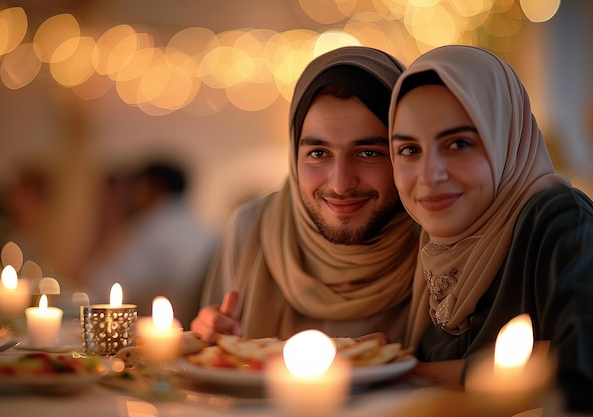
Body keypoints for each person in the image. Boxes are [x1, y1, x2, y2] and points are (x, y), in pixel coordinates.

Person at [388, 45, 593, 412]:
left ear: (505, 139)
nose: (429, 175)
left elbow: (580, 365)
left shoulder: (559, 219)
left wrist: (413, 373)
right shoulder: (432, 249)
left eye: (459, 144)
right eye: (408, 150)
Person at [191, 46, 419, 342]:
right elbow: (216, 352)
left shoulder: (435, 240)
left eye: (367, 152)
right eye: (319, 153)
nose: (340, 184)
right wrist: (208, 335)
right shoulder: (252, 228)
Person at [81, 160, 219, 327]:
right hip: (194, 329)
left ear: (152, 187)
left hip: (156, 333)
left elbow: (97, 286)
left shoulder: (150, 228)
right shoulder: (206, 227)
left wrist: (105, 224)